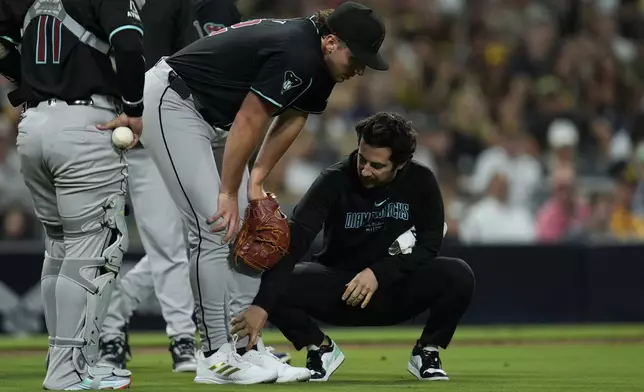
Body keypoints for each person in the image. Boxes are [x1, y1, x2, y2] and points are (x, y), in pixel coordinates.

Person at [139, 1, 388, 385]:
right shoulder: (298, 50)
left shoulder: (320, 61)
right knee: (214, 226)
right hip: (174, 102)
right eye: (356, 58)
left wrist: (256, 179)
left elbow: (295, 116)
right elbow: (251, 118)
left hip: (210, 118)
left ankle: (243, 348)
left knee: (247, 232)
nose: (359, 69)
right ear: (332, 42)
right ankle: (213, 356)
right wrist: (227, 191)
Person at [231, 112, 476, 382]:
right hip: (339, 287)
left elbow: (429, 246)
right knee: (271, 279)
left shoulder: (422, 180)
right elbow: (295, 241)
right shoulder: (333, 179)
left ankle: (427, 350)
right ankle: (319, 347)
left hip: (394, 288)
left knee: (458, 274)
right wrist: (262, 307)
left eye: (377, 165)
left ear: (401, 164)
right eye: (362, 158)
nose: (365, 170)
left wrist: (378, 273)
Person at [9, 0, 145, 389]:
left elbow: (3, 45)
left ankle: (70, 361)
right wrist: (134, 108)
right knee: (93, 250)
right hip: (87, 124)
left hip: (33, 126)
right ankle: (68, 372)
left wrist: (38, 81)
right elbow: (129, 45)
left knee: (61, 249)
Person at [98, 0, 204, 373]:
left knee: (168, 243)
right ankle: (104, 333)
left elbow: (187, 61)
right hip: (94, 126)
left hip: (150, 136)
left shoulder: (172, 3)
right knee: (97, 246)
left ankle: (180, 338)